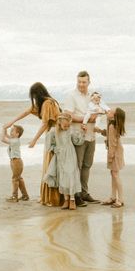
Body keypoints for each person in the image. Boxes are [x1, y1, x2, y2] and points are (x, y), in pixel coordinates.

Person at [3, 82, 63, 206]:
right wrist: (11, 122)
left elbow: (46, 123)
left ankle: (52, 198)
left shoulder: (47, 103)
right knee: (51, 165)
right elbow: (26, 112)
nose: (34, 99)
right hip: (54, 134)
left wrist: (34, 140)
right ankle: (51, 196)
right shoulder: (47, 102)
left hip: (55, 136)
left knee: (51, 165)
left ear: (37, 94)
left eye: (34, 96)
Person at [64, 70, 100, 206]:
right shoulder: (71, 96)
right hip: (78, 136)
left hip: (91, 135)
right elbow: (68, 115)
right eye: (79, 81)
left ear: (89, 82)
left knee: (87, 165)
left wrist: (93, 118)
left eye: (84, 82)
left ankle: (84, 192)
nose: (81, 84)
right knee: (77, 166)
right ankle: (76, 194)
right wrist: (85, 119)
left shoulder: (93, 96)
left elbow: (98, 111)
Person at [44, 112, 85, 210]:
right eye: (65, 125)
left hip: (70, 155)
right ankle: (66, 199)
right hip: (60, 156)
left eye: (68, 125)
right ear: (59, 123)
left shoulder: (70, 130)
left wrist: (82, 132)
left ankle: (72, 200)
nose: (67, 127)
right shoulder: (53, 131)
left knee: (71, 175)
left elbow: (77, 141)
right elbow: (49, 145)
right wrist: (55, 150)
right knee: (63, 176)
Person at [97, 107, 126, 208]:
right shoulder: (113, 124)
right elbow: (110, 136)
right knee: (113, 174)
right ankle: (113, 197)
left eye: (110, 111)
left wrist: (110, 157)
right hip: (116, 151)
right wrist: (100, 131)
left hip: (115, 153)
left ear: (114, 116)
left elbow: (113, 143)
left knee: (115, 174)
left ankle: (120, 199)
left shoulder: (112, 126)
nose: (108, 111)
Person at [0, 124, 29, 202]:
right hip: (14, 161)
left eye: (12, 131)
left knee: (15, 179)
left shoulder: (15, 141)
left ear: (17, 134)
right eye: (10, 130)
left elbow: (3, 139)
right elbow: (6, 135)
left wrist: (3, 129)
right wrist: (5, 129)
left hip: (16, 162)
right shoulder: (14, 139)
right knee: (18, 178)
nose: (10, 132)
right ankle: (25, 195)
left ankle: (14, 197)